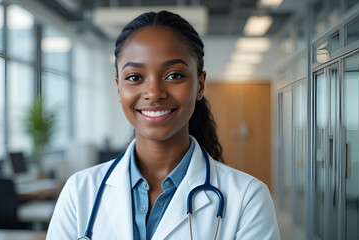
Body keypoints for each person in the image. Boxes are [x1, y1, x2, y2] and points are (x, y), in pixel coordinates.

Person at [46, 10, 280, 240]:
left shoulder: (248, 199)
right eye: (135, 77)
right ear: (119, 88)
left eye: (174, 75)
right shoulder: (79, 192)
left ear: (200, 85)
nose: (154, 93)